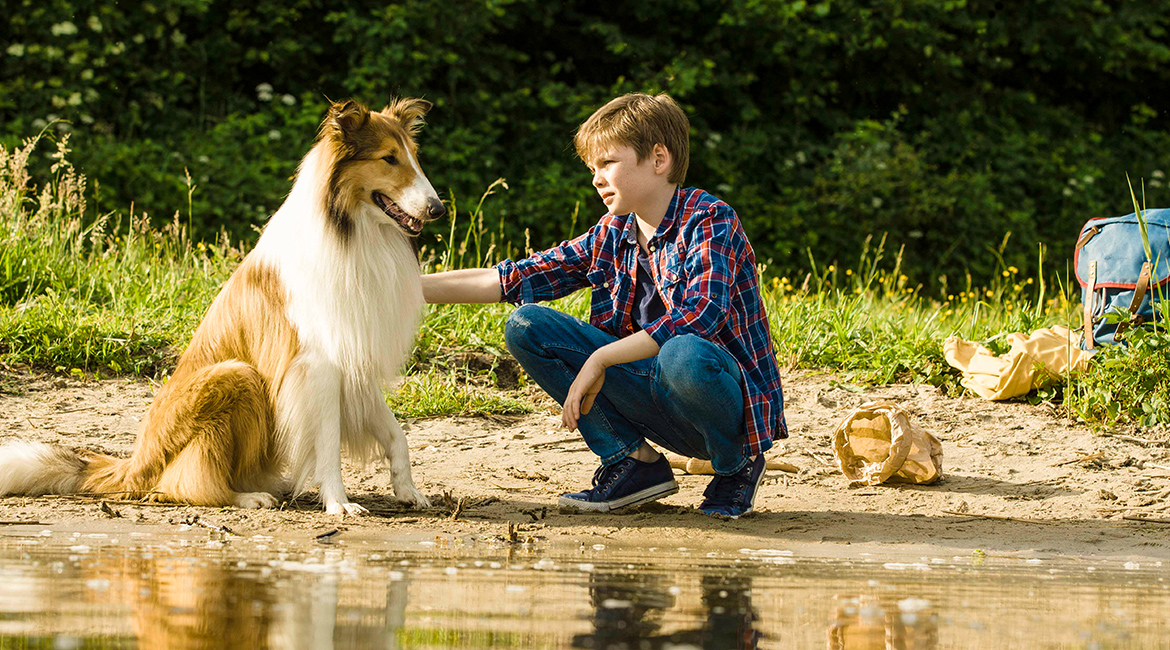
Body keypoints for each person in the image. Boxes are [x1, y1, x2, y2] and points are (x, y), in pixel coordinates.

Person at [421, 92, 786, 518]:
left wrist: (600, 359)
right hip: (656, 403)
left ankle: (736, 466)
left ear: (659, 159)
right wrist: (399, 286)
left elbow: (698, 317)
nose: (596, 178)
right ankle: (633, 463)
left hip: (723, 410)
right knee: (526, 325)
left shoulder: (709, 218)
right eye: (591, 168)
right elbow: (514, 278)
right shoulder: (612, 232)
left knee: (683, 351)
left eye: (607, 163)